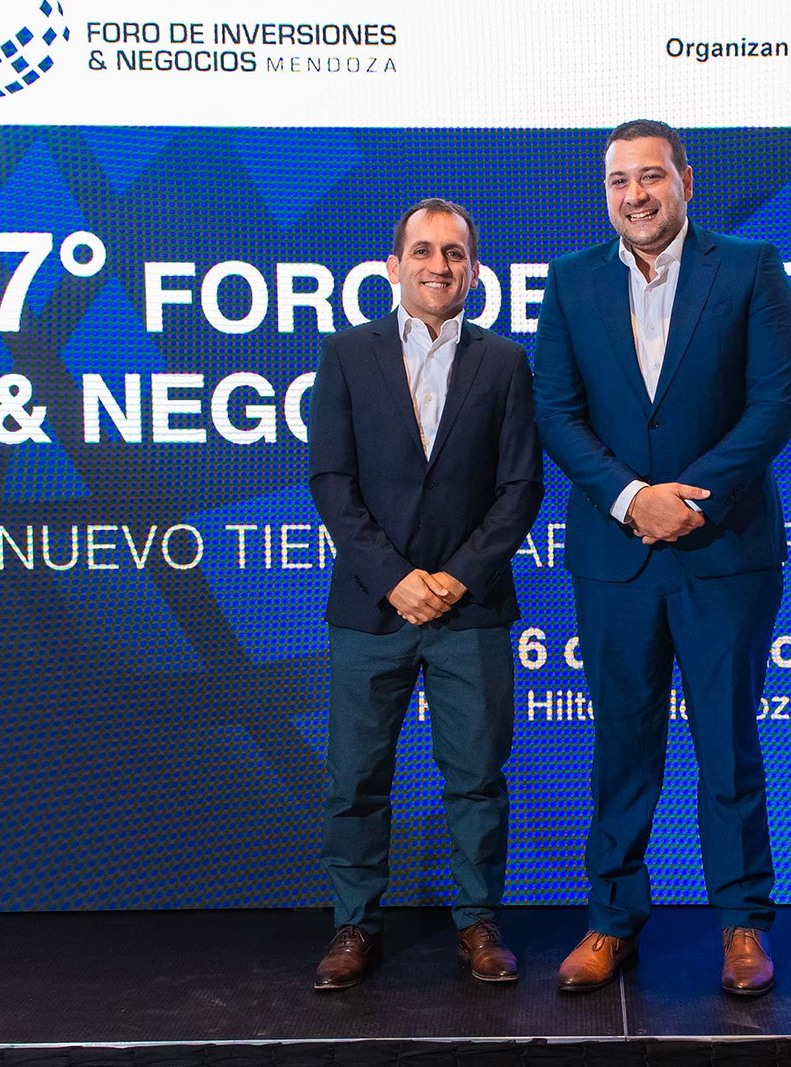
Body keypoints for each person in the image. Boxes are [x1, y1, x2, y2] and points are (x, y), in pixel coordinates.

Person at [533, 120, 791, 996]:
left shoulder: (750, 267)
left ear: (688, 179)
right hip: (615, 554)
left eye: (651, 176)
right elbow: (556, 412)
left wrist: (690, 500)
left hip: (724, 551)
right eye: (619, 180)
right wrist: (631, 498)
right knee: (622, 743)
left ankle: (742, 925)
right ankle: (612, 919)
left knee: (727, 743)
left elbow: (774, 405)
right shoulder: (571, 281)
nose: (635, 195)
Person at [307, 198, 543, 990]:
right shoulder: (347, 354)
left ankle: (478, 923)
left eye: (454, 253)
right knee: (355, 779)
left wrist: (456, 576)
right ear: (393, 265)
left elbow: (520, 487)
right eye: (423, 251)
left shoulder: (504, 362)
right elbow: (331, 481)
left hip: (469, 608)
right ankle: (353, 925)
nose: (438, 266)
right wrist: (396, 578)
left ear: (474, 270)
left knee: (476, 778)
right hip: (371, 606)